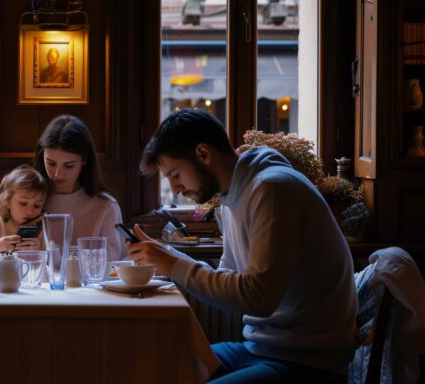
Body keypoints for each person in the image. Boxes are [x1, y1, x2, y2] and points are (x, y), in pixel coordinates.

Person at [130, 109, 357, 383]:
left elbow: (258, 298)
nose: (175, 189)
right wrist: (169, 256)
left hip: (308, 362)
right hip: (260, 349)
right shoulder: (230, 199)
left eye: (175, 174)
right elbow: (231, 280)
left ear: (203, 154)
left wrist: (175, 266)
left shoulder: (274, 190)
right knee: (153, 364)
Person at [33, 114, 126, 261]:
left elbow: (113, 265)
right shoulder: (28, 201)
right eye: (51, 163)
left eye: (69, 166)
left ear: (85, 160)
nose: (57, 174)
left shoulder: (106, 207)